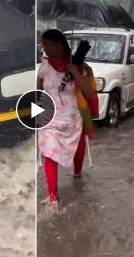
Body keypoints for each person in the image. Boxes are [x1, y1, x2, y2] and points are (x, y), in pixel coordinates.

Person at [37, 29, 98, 210]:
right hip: (50, 121)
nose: (44, 48)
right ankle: (53, 198)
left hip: (73, 120)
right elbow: (38, 94)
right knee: (50, 156)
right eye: (43, 44)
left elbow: (89, 94)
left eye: (47, 44)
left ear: (58, 45)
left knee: (78, 152)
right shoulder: (44, 68)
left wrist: (77, 75)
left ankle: (77, 176)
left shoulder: (79, 67)